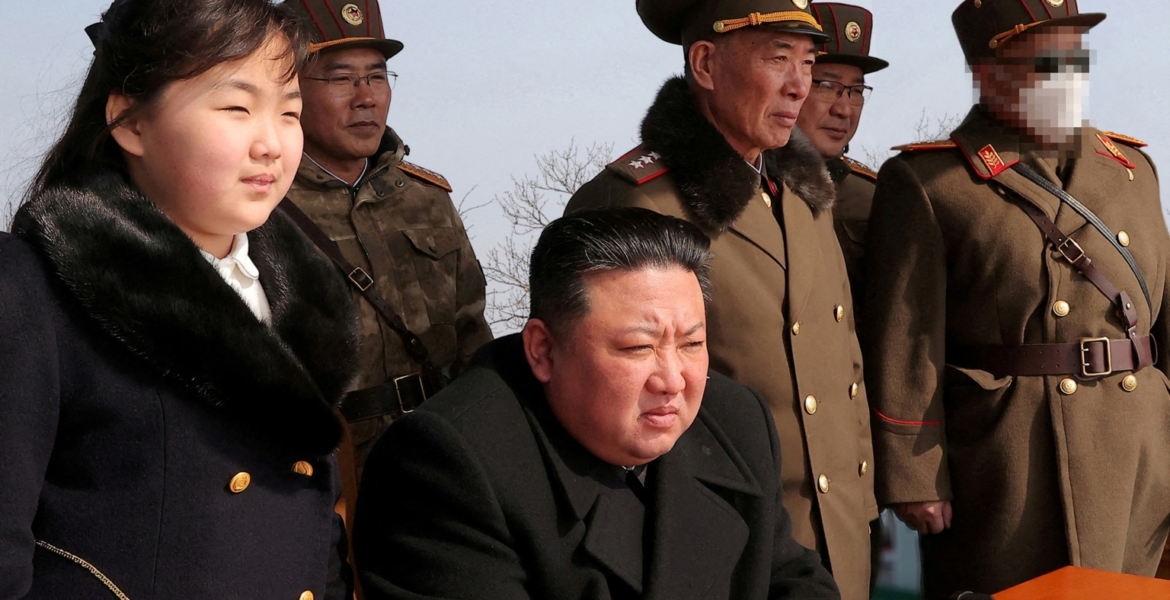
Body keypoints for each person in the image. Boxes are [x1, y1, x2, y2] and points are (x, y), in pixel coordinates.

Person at [0, 0, 359, 599]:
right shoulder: (30, 290)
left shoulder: (302, 302)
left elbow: (316, 547)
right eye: (237, 107)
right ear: (130, 122)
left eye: (290, 112)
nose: (271, 143)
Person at [352, 207, 841, 600]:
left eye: (692, 344)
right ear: (543, 350)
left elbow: (793, 580)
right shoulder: (445, 463)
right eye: (638, 348)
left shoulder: (734, 420)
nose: (673, 380)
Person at [565, 2, 876, 598]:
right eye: (778, 59)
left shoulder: (805, 196)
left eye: (807, 62)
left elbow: (845, 364)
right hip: (714, 545)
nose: (799, 85)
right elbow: (594, 403)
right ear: (705, 64)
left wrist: (859, 504)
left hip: (835, 536)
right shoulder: (639, 204)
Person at [863, 1, 1170, 597]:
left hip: (1136, 446)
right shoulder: (931, 183)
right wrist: (916, 474)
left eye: (1075, 56)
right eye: (1046, 60)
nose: (1068, 74)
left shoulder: (1133, 169)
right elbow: (905, 340)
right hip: (1009, 454)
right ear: (989, 72)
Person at [282, 0, 492, 482]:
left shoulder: (425, 199)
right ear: (289, 86)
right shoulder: (261, 206)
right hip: (321, 472)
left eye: (377, 77)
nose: (366, 98)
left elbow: (472, 340)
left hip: (440, 456)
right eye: (340, 78)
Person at [796, 3, 888, 315]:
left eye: (856, 91)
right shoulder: (746, 184)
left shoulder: (872, 198)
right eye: (826, 86)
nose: (844, 109)